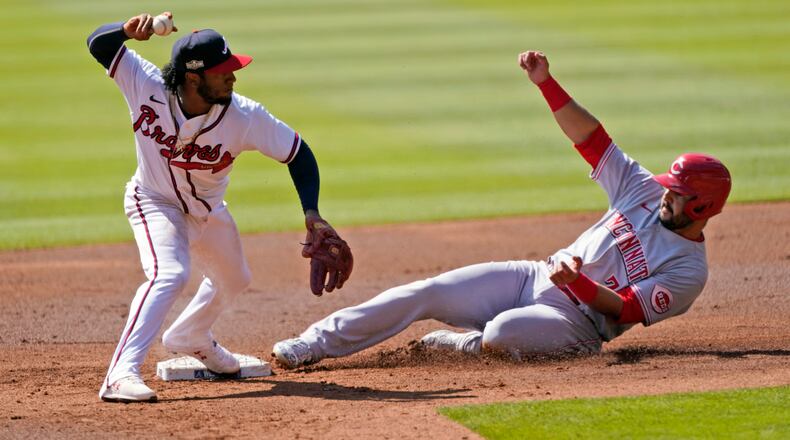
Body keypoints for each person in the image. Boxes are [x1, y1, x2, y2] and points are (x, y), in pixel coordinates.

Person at [272, 50, 731, 369]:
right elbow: (592, 141)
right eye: (671, 187)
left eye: (679, 193)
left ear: (705, 205)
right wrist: (546, 84)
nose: (667, 194)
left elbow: (627, 310)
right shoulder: (644, 191)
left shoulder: (688, 271)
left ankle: (468, 346)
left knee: (500, 334)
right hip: (533, 275)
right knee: (426, 291)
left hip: (576, 322)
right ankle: (312, 343)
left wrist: (579, 282)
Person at [87, 12, 352, 403]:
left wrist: (311, 212)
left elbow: (299, 153)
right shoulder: (145, 84)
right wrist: (126, 32)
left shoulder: (244, 115)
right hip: (154, 201)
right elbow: (99, 45)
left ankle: (189, 335)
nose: (233, 77)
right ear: (193, 78)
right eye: (223, 71)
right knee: (170, 274)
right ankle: (120, 373)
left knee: (235, 277)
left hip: (209, 211)